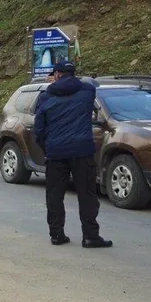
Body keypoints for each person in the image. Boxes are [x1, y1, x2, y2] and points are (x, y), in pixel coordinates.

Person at [34, 61, 112, 248]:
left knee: (55, 196)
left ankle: (57, 235)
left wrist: (47, 148)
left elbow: (39, 130)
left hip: (56, 152)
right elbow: (92, 83)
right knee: (87, 195)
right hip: (82, 151)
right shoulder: (87, 91)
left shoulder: (45, 96)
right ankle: (91, 236)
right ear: (73, 73)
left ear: (57, 74)